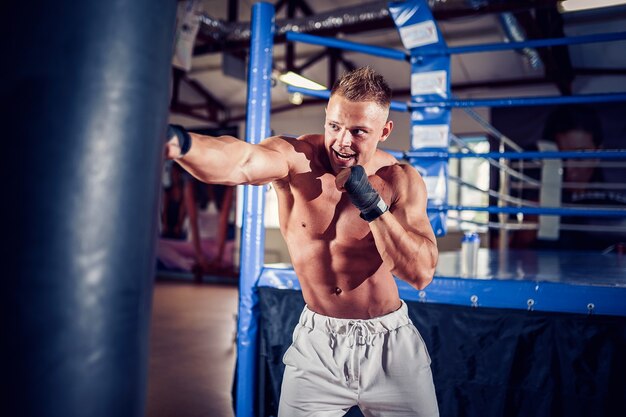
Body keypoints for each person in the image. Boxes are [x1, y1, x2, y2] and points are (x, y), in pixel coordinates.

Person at [165, 67, 439, 416]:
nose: (342, 141)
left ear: (384, 131)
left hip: (391, 345)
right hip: (318, 346)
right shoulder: (296, 159)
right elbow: (241, 161)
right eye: (335, 126)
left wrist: (372, 205)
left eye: (358, 132)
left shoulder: (399, 179)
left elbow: (421, 272)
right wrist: (181, 143)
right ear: (326, 114)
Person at [509, 105, 625, 251]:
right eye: (561, 156)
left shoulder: (615, 197)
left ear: (598, 153)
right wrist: (530, 227)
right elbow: (519, 255)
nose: (569, 167)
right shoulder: (541, 196)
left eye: (580, 156)